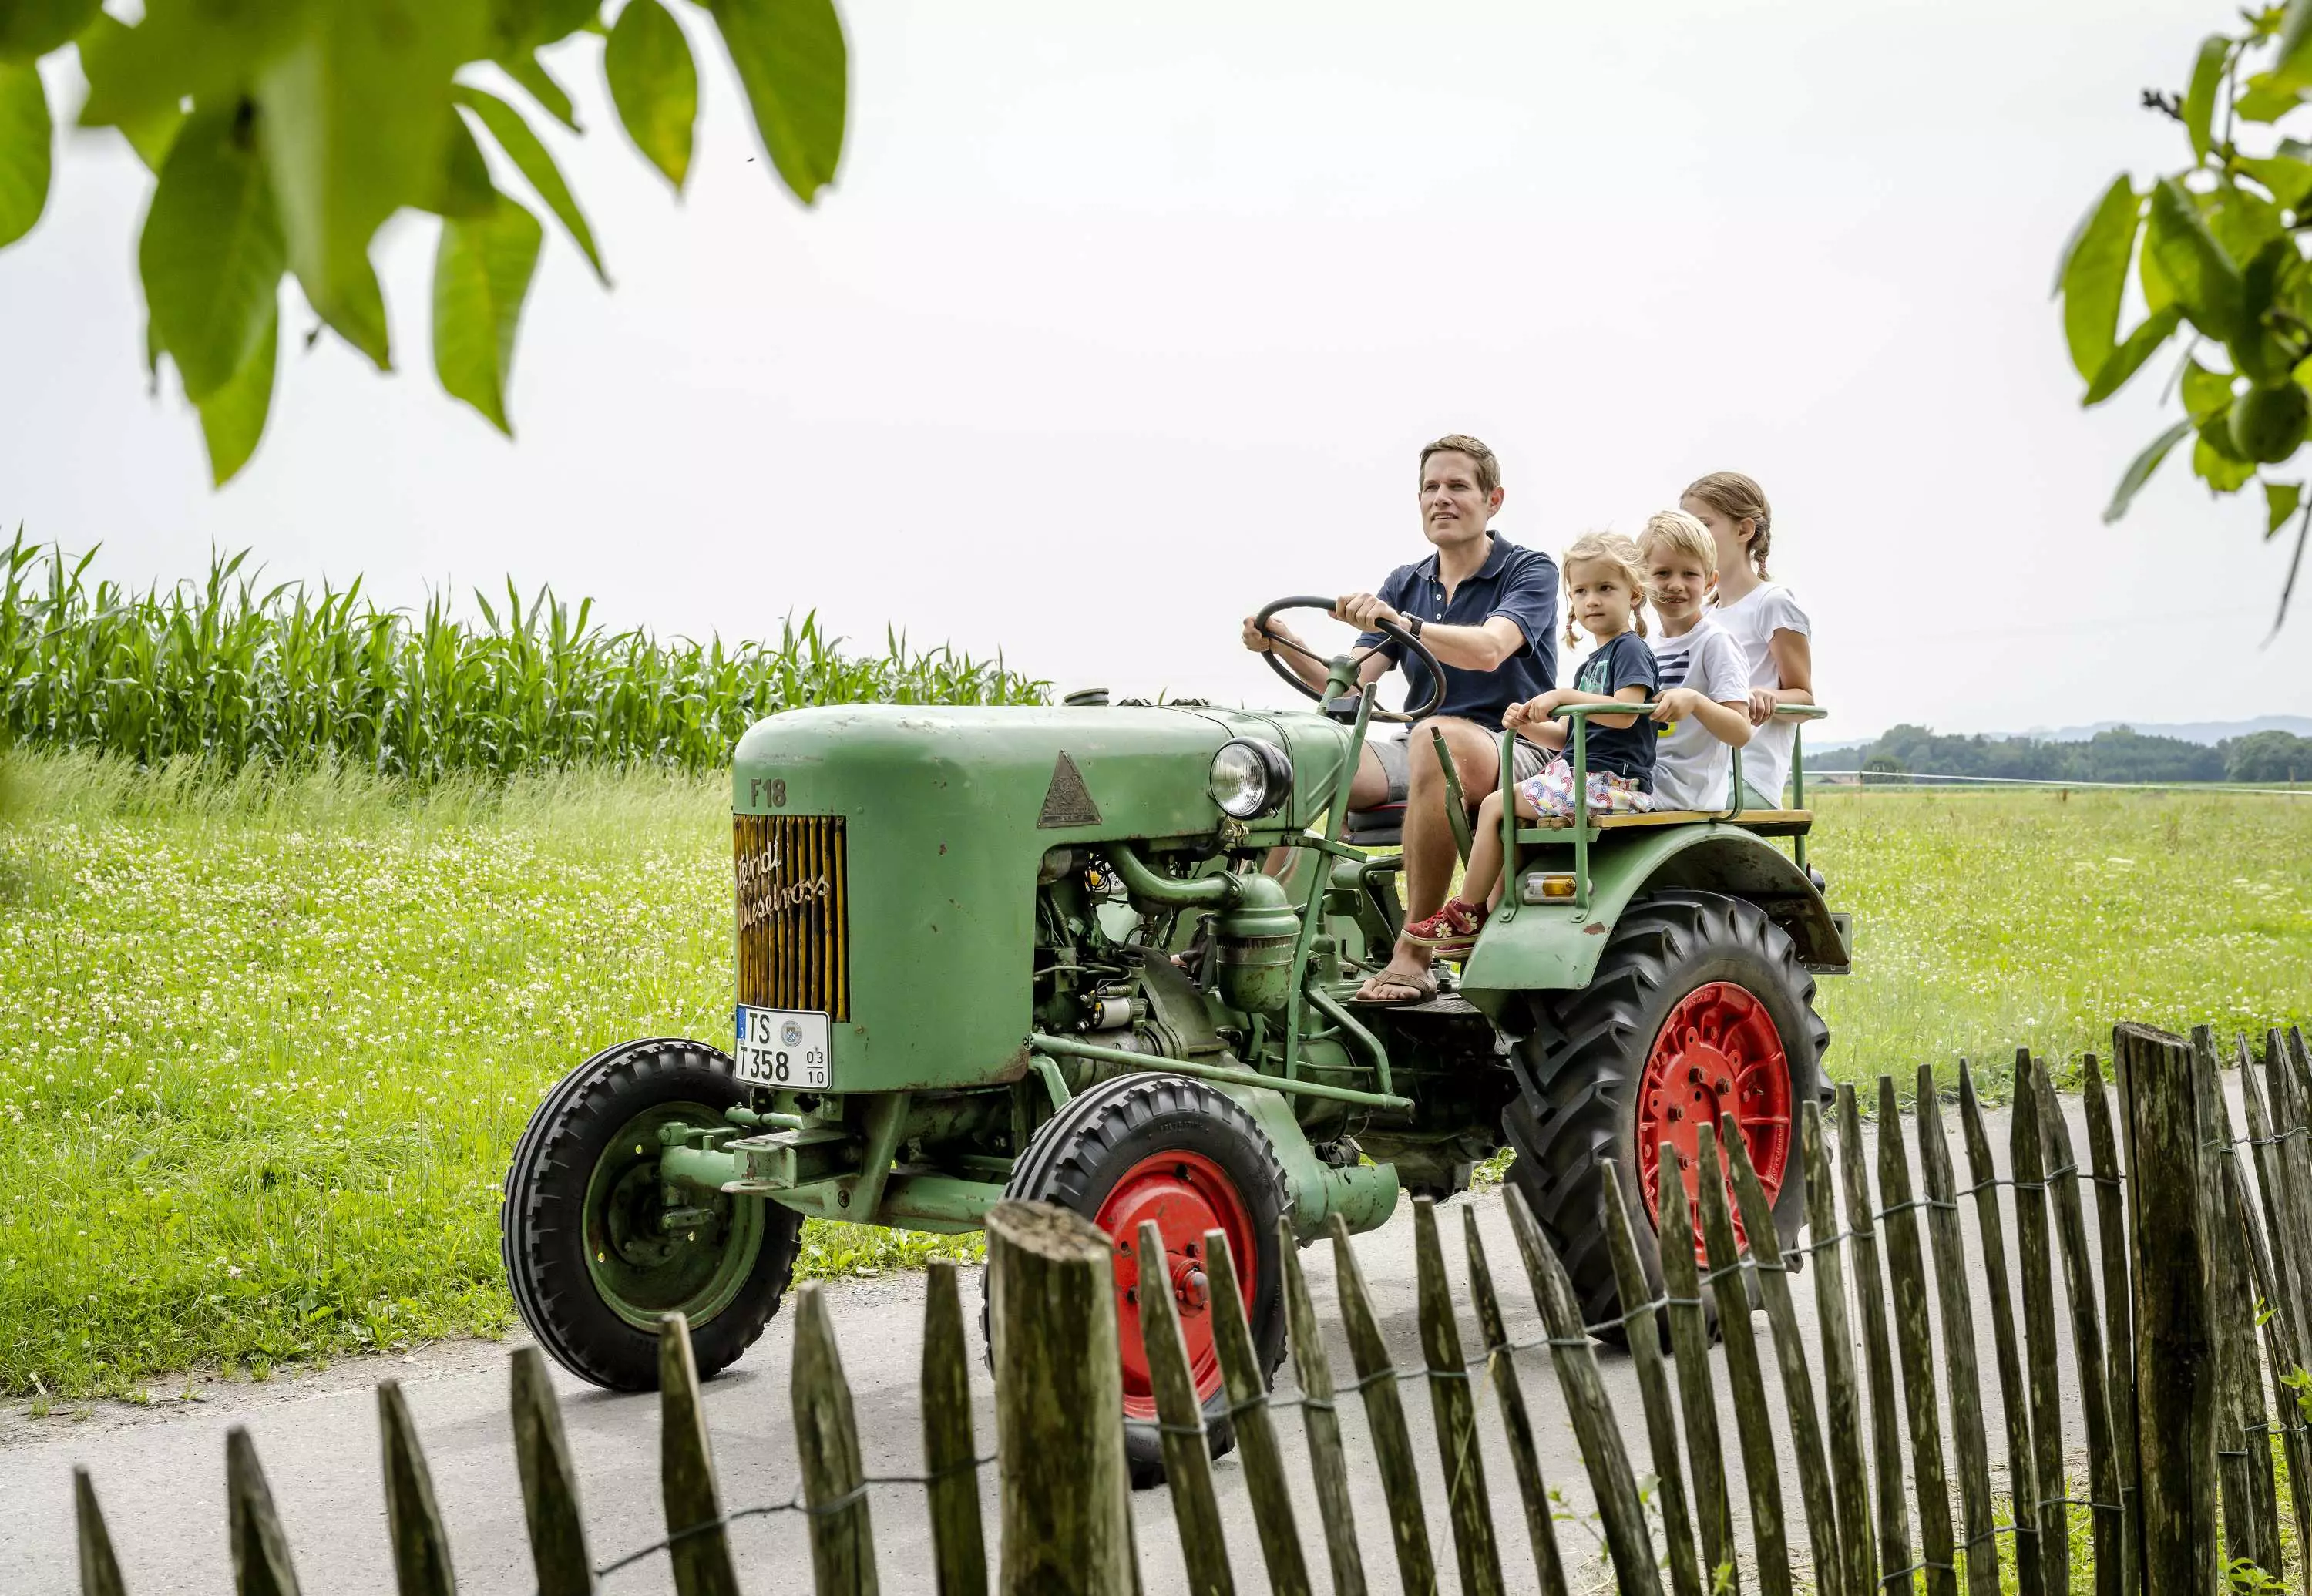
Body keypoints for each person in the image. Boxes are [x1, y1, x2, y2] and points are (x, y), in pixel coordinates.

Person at [1242, 434, 1558, 1003]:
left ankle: (1415, 956)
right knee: (1287, 752)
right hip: (1421, 747)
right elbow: (1352, 682)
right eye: (1431, 488)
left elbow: (1490, 649)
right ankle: (1239, 940)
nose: (1442, 498)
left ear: (1494, 500)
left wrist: (1403, 623)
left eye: (1458, 485)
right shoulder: (1407, 581)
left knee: (1435, 738)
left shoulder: (1529, 570)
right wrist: (1285, 643)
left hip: (1517, 747)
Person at [1401, 531, 1658, 954]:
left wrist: (1562, 697)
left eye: (1605, 588)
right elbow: (1568, 736)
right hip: (1580, 773)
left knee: (1495, 806)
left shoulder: (1630, 650)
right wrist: (1525, 727)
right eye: (1581, 591)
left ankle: (1468, 911)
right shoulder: (1593, 664)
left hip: (1613, 782)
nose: (1591, 600)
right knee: (1501, 808)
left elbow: (1626, 712)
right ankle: (1492, 913)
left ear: (1634, 595)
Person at [1679, 471, 1813, 810]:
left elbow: (1804, 700)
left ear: (1744, 530)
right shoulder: (1705, 616)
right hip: (1699, 770)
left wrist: (1765, 695)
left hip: (1744, 776)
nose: (1691, 538)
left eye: (1703, 526)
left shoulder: (1772, 603)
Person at [1636, 509, 1755, 810]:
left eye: (1689, 573)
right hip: (1644, 776)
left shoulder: (1715, 643)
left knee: (1574, 799)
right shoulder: (1643, 647)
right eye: (1663, 573)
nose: (1676, 584)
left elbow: (1741, 731)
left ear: (1710, 581)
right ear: (1640, 579)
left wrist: (1696, 701)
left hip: (1685, 789)